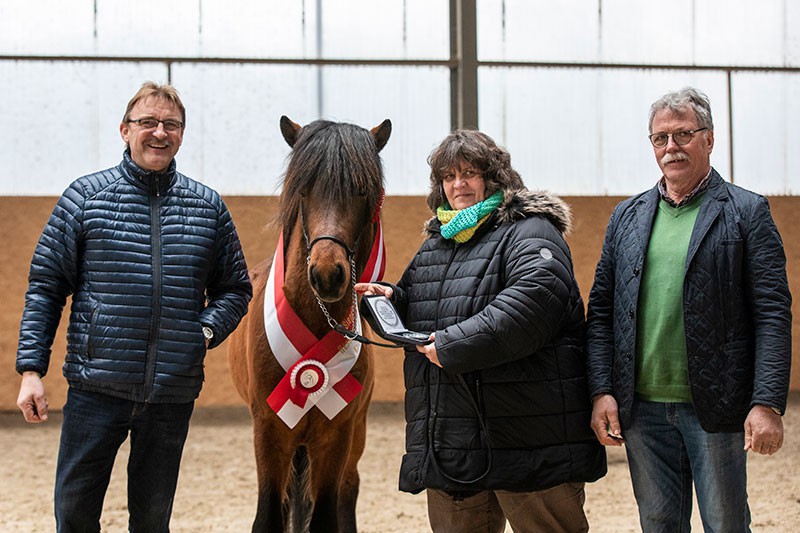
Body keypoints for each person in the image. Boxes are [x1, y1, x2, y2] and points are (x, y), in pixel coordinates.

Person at [15, 81, 253, 532]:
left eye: (171, 124)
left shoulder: (209, 207)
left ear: (182, 134)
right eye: (148, 122)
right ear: (125, 130)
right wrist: (31, 370)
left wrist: (202, 332)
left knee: (152, 522)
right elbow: (46, 286)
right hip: (94, 389)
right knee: (75, 516)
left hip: (171, 394)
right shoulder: (85, 198)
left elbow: (236, 289)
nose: (159, 132)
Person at [356, 129, 606, 532]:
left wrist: (453, 344)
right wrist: (390, 299)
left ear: (494, 177)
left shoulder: (531, 231)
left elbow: (532, 303)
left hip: (527, 441)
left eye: (469, 173)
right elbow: (425, 307)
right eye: (448, 176)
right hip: (455, 444)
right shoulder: (437, 244)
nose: (458, 184)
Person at [586, 87, 792, 532]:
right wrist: (603, 390)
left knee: (724, 522)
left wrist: (766, 401)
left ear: (710, 139)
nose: (670, 148)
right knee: (658, 522)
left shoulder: (746, 211)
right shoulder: (626, 217)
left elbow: (773, 314)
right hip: (641, 408)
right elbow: (601, 312)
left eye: (683, 134)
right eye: (660, 138)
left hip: (716, 406)